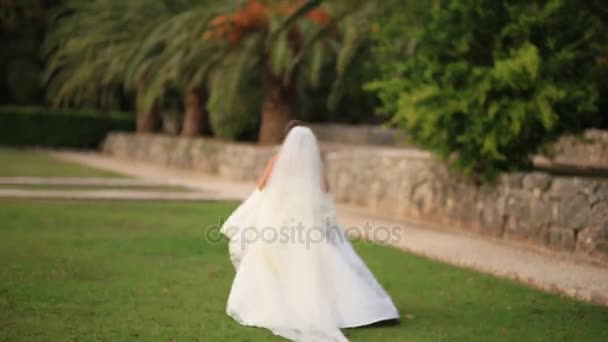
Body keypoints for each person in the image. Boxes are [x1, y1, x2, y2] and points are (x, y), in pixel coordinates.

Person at [221, 121, 399, 341]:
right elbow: (324, 189)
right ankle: (356, 308)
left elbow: (262, 185)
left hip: (282, 221)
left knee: (274, 261)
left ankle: (282, 304)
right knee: (321, 262)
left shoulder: (278, 161)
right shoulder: (314, 165)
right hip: (307, 223)